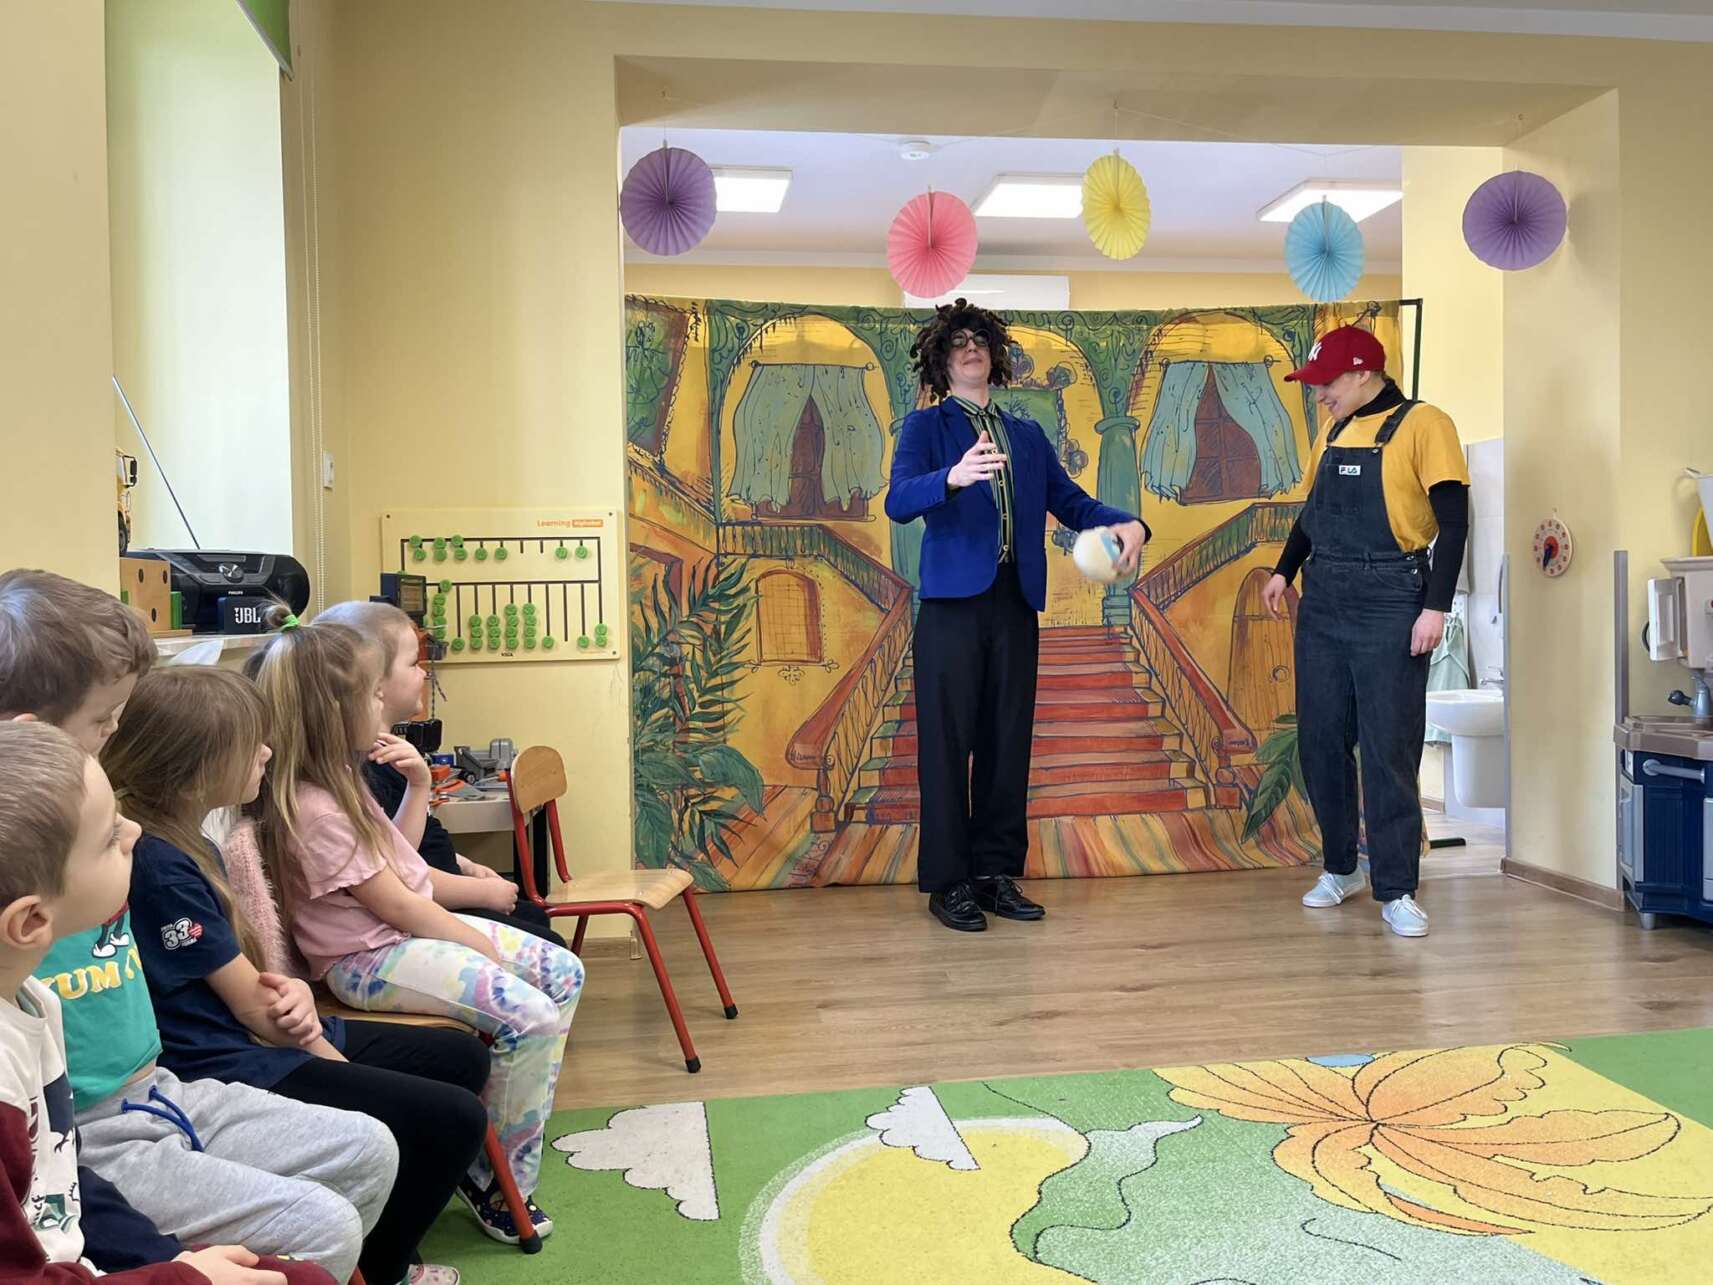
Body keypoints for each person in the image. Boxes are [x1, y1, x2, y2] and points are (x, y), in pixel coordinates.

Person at [0, 571, 395, 1280]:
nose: (116, 733)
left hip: (160, 1088)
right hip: (98, 1133)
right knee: (323, 1226)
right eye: (104, 718)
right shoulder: (51, 874)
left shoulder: (108, 858)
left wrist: (282, 994)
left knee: (368, 1151)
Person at [104, 665, 485, 1285]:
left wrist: (297, 1003)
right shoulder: (160, 866)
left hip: (256, 1032)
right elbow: (258, 1012)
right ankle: (384, 1266)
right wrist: (322, 1045)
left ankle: (395, 1226)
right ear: (196, 767)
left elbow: (256, 990)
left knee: (459, 1061)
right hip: (228, 1057)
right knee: (452, 1117)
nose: (266, 752)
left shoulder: (187, 841)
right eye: (249, 743)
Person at [247, 622, 582, 1246]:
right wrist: (478, 944)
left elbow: (399, 861)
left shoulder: (341, 782)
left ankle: (498, 1146)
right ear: (334, 712)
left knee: (564, 972)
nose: (382, 703)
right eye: (371, 695)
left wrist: (421, 785)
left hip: (401, 939)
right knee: (531, 1016)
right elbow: (401, 906)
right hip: (367, 959)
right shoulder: (315, 808)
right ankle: (498, 1182)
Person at [0, 719, 336, 1285]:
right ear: (31, 921)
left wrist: (169, 1259)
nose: (134, 832)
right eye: (109, 837)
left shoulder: (31, 998)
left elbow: (58, 1175)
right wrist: (181, 1277)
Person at [885, 300, 1149, 933]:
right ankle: (949, 881)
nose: (971, 348)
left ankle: (994, 874)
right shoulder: (926, 428)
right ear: (942, 360)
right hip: (950, 605)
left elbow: (1070, 501)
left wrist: (1129, 521)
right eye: (958, 342)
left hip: (1014, 601)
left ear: (995, 353)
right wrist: (952, 477)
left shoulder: (1027, 436)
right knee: (947, 744)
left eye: (980, 339)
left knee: (1007, 742)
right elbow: (898, 500)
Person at [1261, 325, 1470, 939]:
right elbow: (1312, 515)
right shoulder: (1331, 432)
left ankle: (1398, 888)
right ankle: (1340, 867)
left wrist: (1435, 608)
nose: (1319, 394)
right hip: (1325, 597)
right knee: (1321, 741)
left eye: (1325, 383)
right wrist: (1284, 570)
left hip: (1393, 597)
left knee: (1388, 747)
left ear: (1360, 373)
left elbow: (1455, 524)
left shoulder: (1426, 425)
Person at [311, 600, 563, 946]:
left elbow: (403, 848)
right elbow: (396, 868)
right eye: (413, 663)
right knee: (545, 941)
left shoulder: (388, 758)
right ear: (376, 680)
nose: (424, 674)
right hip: (426, 912)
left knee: (535, 920)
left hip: (438, 897)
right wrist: (480, 892)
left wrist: (466, 866)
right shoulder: (368, 771)